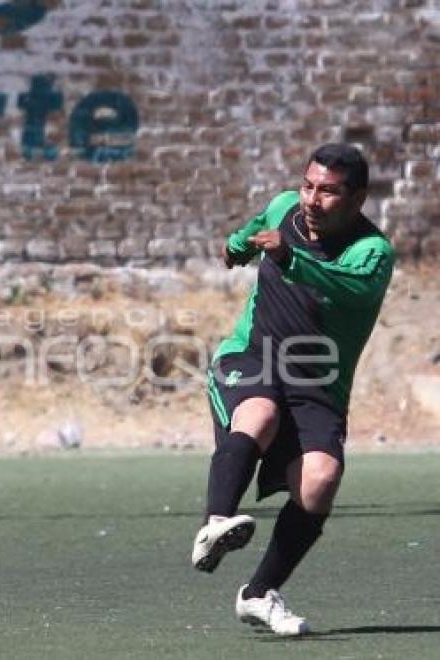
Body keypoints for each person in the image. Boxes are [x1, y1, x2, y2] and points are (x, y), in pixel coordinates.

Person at [191, 143, 395, 636]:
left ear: (358, 198)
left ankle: (258, 594)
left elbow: (345, 287)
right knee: (258, 414)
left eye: (328, 191)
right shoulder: (284, 207)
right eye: (308, 185)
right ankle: (217, 522)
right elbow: (248, 235)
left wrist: (290, 259)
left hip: (317, 381)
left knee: (320, 480)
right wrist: (236, 247)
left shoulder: (372, 252)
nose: (311, 199)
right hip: (251, 356)